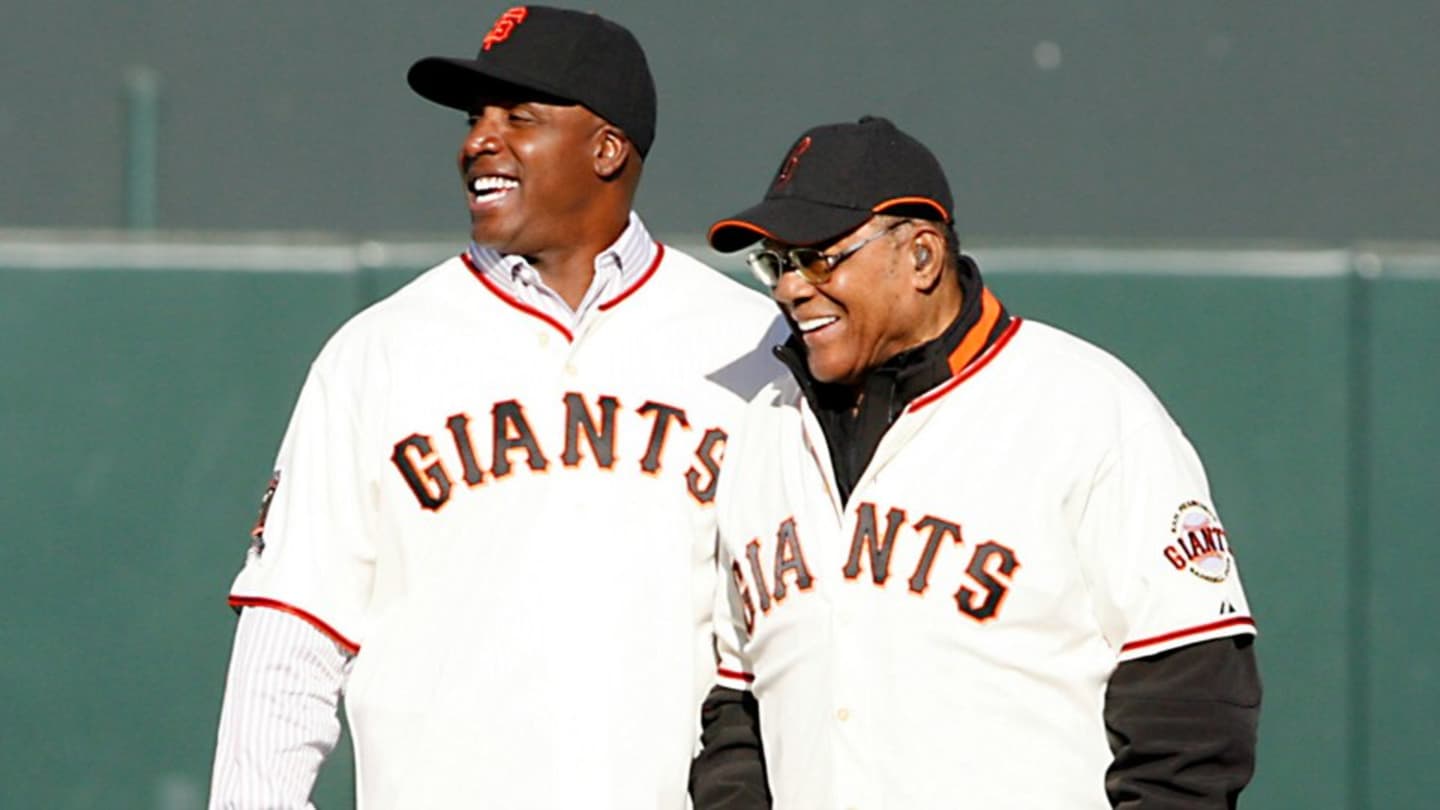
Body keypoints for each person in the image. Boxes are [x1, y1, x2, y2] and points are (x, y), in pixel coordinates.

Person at [207, 6, 783, 808]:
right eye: (476, 117)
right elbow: (292, 629)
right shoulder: (380, 349)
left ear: (607, 148)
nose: (480, 139)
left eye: (520, 115)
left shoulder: (752, 347)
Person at [689, 116, 1261, 809]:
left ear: (922, 255)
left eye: (819, 257)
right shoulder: (765, 425)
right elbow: (741, 704)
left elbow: (1190, 701)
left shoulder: (1085, 408)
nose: (790, 288)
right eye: (775, 264)